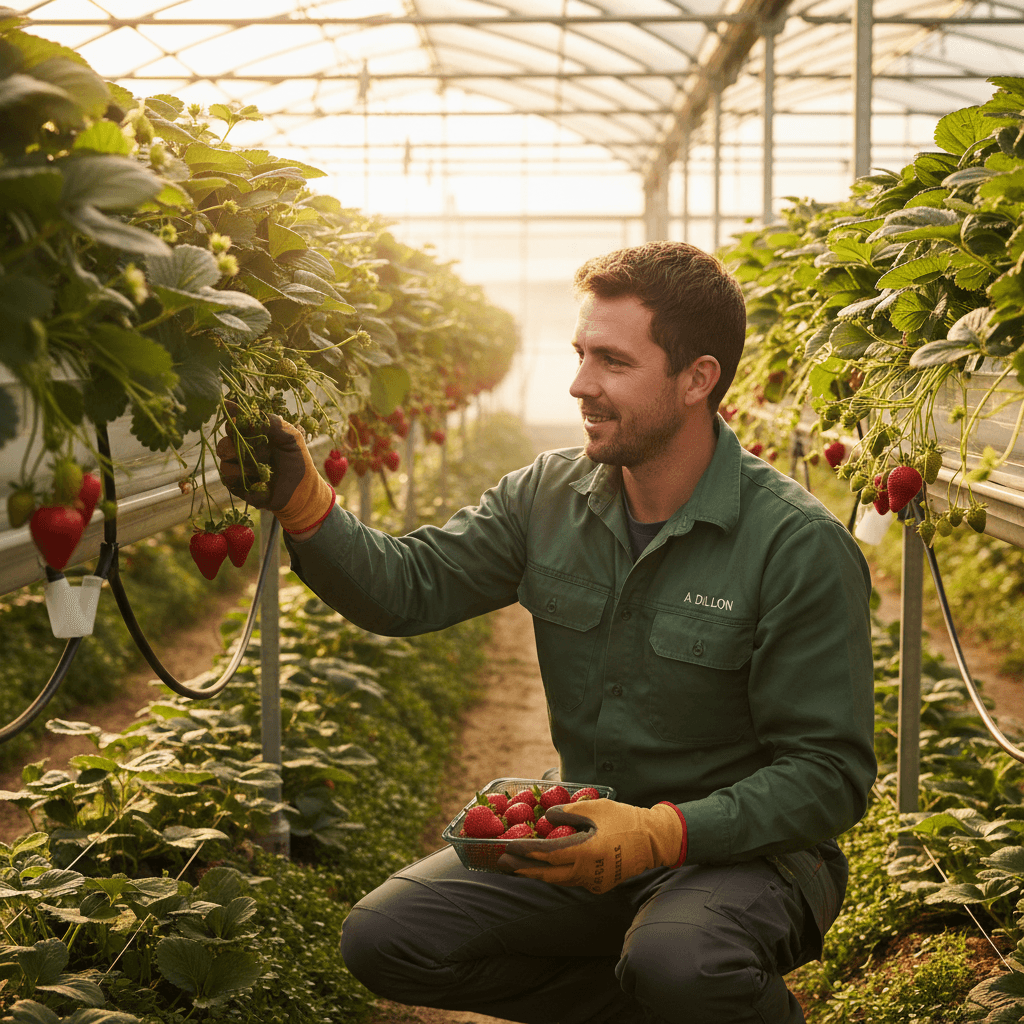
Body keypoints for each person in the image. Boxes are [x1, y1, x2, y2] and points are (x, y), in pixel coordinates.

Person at [217, 240, 877, 1024]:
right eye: (579, 353)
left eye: (612, 362)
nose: (580, 385)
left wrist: (664, 832)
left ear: (698, 379)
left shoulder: (794, 544)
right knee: (385, 938)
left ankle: (697, 993)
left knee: (680, 960)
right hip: (588, 837)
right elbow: (409, 589)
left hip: (750, 859)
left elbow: (829, 774)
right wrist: (306, 508)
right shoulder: (547, 496)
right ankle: (657, 1007)